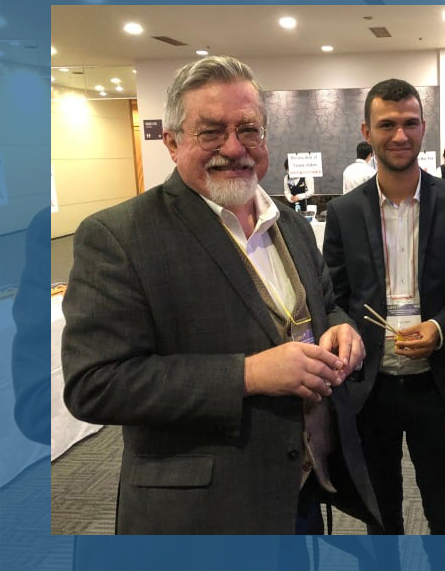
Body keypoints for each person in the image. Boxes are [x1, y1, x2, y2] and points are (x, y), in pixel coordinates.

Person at [61, 55, 380, 535]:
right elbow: (95, 384)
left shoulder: (290, 225)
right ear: (171, 142)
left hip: (302, 494)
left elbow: (326, 303)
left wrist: (340, 326)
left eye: (249, 129)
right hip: (202, 516)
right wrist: (247, 374)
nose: (235, 148)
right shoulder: (117, 236)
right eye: (210, 132)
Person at [323, 78, 445, 537]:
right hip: (369, 389)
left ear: (423, 128)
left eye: (410, 123)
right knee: (381, 516)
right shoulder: (343, 213)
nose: (400, 135)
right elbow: (332, 299)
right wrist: (345, 330)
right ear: (367, 130)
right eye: (387, 124)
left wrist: (440, 328)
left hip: (436, 387)